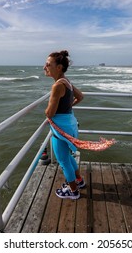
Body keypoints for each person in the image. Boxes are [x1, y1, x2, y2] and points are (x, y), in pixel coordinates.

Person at [43, 50, 85, 199]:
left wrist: (46, 109)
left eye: (48, 64)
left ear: (59, 67)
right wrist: (68, 106)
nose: (44, 67)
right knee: (67, 156)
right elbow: (80, 96)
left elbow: (50, 113)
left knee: (63, 160)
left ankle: (73, 191)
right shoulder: (66, 81)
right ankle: (79, 180)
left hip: (60, 129)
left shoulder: (57, 86)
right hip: (70, 124)